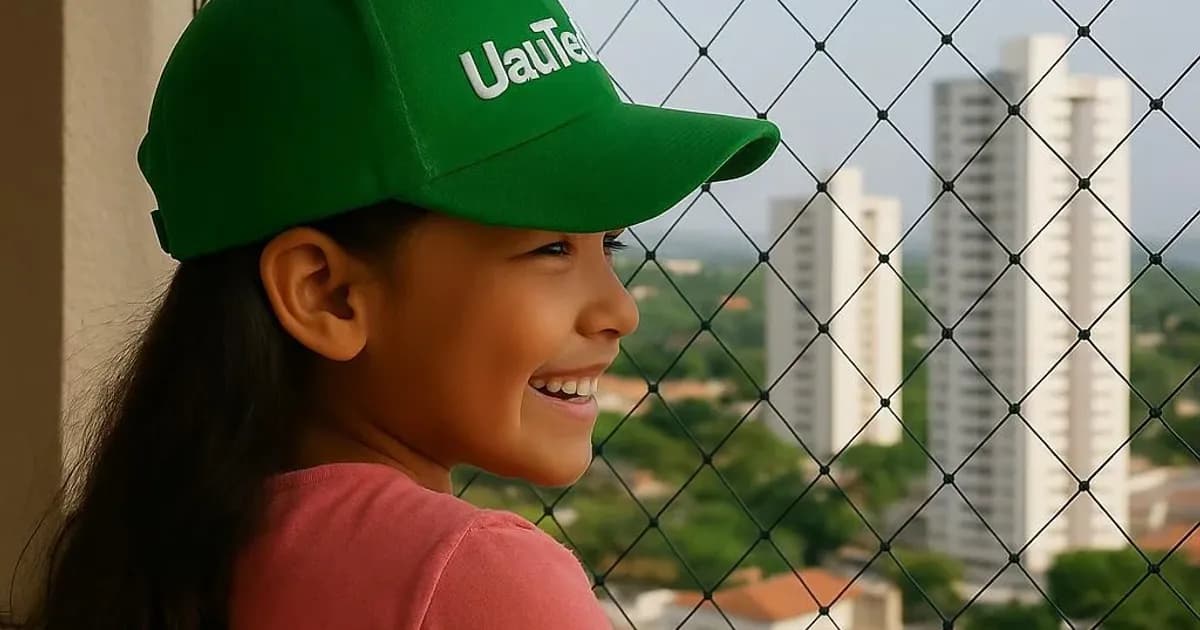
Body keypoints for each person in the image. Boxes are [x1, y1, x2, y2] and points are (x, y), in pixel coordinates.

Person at [3, 0, 778, 628]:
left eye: (607, 242)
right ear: (327, 295)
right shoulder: (472, 577)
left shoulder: (165, 548)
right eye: (549, 248)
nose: (618, 311)